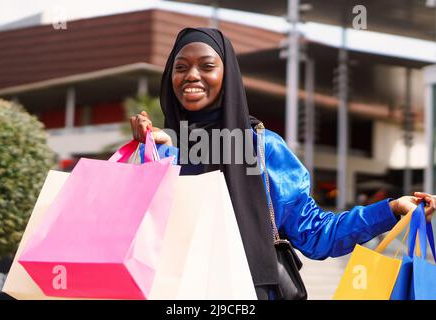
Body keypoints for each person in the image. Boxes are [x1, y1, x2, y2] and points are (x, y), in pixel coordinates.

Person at [129, 27, 436, 300]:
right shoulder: (164, 152)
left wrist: (390, 209)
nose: (191, 76)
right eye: (180, 68)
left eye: (207, 66)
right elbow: (138, 237)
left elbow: (316, 234)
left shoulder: (261, 147)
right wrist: (150, 158)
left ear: (227, 77)